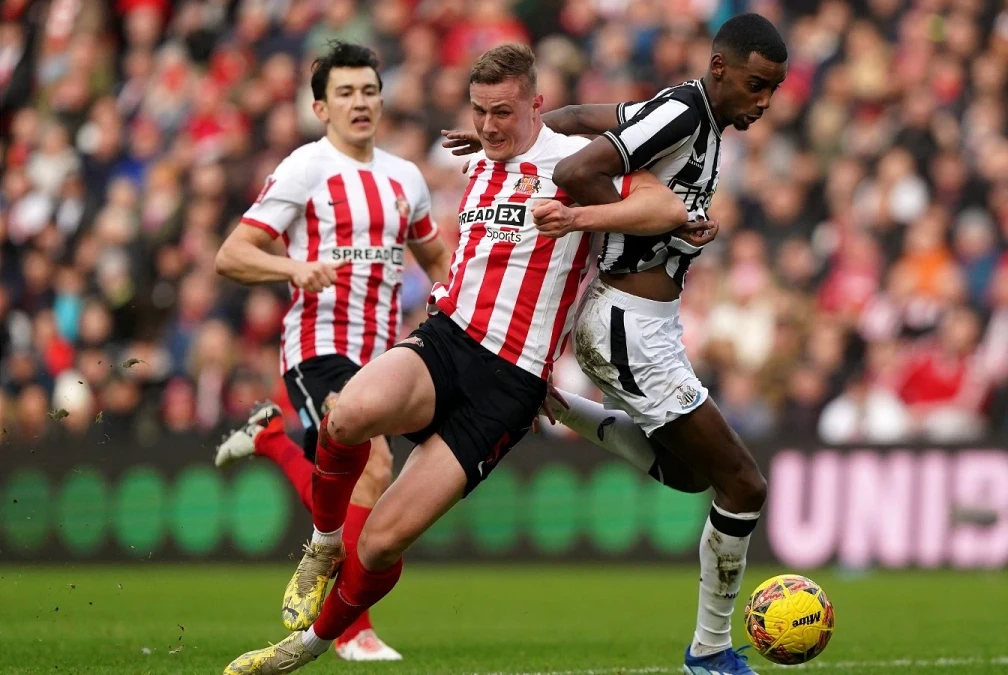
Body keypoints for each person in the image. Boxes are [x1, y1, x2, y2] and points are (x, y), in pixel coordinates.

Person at [223, 43, 699, 675]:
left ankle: (306, 647)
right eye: (479, 111)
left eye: (503, 112)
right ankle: (321, 542)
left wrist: (579, 216)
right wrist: (494, 142)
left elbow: (666, 208)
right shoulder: (479, 158)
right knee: (349, 412)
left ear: (536, 105)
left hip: (511, 381)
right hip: (447, 340)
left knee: (386, 539)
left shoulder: (577, 162)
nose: (488, 126)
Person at [447, 13, 789, 675]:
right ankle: (710, 652)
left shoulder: (688, 113)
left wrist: (518, 141)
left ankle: (562, 404)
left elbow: (575, 115)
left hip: (644, 326)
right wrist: (651, 231)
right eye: (755, 84)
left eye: (772, 88)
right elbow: (578, 167)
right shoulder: (686, 112)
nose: (764, 100)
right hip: (629, 323)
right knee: (744, 484)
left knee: (692, 473)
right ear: (720, 67)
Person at [213, 40, 450, 662]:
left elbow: (437, 260)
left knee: (343, 484)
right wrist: (293, 268)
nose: (360, 102)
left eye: (369, 90)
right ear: (320, 107)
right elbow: (231, 255)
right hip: (317, 346)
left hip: (384, 358)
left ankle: (269, 440)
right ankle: (350, 630)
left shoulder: (407, 177)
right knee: (373, 470)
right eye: (344, 93)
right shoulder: (305, 169)